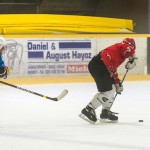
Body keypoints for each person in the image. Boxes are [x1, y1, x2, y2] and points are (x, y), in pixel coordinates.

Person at [79, 38, 137, 124]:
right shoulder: (124, 46)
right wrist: (134, 59)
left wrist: (117, 82)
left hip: (100, 65)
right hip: (99, 66)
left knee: (112, 87)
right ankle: (88, 109)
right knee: (108, 91)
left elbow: (112, 68)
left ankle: (105, 112)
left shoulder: (118, 51)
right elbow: (128, 48)